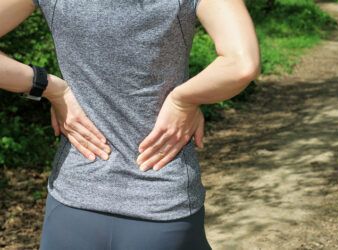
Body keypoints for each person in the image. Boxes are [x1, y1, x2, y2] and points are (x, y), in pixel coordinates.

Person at [0, 0, 261, 249]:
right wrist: (184, 99)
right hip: (162, 208)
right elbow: (241, 64)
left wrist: (48, 87)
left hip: (73, 206)